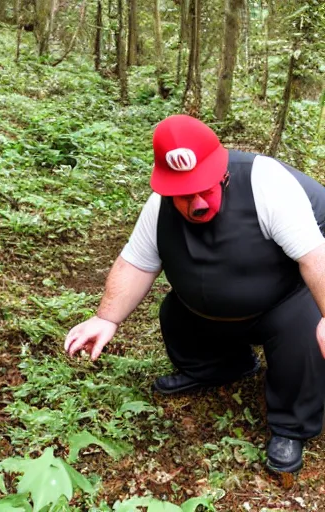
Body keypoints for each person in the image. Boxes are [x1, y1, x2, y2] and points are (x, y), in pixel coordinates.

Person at [64, 114, 325, 474]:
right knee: (176, 311)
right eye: (185, 195)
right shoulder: (159, 206)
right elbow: (135, 263)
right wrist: (106, 317)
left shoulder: (268, 186)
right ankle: (223, 368)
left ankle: (291, 426)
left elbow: (315, 258)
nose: (197, 203)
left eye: (205, 189)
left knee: (306, 330)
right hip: (223, 302)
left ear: (223, 174)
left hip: (289, 289)